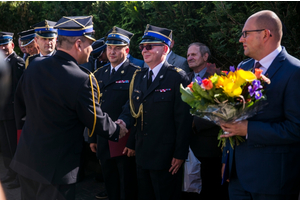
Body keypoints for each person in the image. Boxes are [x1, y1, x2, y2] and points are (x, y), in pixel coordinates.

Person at [10, 15, 128, 200]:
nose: (91, 49)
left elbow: (19, 105)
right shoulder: (82, 79)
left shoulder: (34, 66)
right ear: (79, 44)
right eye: (89, 44)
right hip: (56, 170)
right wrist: (117, 130)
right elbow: (95, 120)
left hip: (27, 159)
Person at [220, 10, 300, 200]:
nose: (241, 39)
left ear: (265, 34)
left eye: (245, 33)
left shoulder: (295, 71)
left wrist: (248, 129)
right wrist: (227, 160)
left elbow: (296, 128)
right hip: (238, 178)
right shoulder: (243, 68)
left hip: (273, 181)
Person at [119, 24, 193, 200]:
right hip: (142, 153)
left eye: (150, 46)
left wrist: (180, 154)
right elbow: (137, 114)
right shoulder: (139, 76)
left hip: (166, 157)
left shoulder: (177, 77)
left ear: (165, 49)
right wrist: (130, 142)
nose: (145, 50)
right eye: (142, 47)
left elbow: (183, 120)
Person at [89, 26, 139, 200]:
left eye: (117, 47)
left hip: (124, 138)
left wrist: (132, 142)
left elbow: (134, 108)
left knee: (128, 186)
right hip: (103, 138)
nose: (112, 51)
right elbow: (94, 107)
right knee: (110, 185)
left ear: (127, 49)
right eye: (109, 47)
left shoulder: (136, 73)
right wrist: (92, 137)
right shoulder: (98, 74)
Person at [181, 42, 228, 199]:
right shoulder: (183, 78)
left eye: (193, 54)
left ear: (205, 56)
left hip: (209, 149)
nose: (189, 58)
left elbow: (224, 111)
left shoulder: (219, 78)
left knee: (211, 190)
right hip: (185, 148)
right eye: (188, 55)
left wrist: (195, 123)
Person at [0, 32, 25, 189]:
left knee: (15, 146)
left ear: (12, 45)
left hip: (13, 112)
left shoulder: (17, 62)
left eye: (5, 44)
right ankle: (10, 171)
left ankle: (18, 176)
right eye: (0, 45)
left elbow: (19, 89)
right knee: (5, 145)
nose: (2, 48)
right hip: (2, 111)